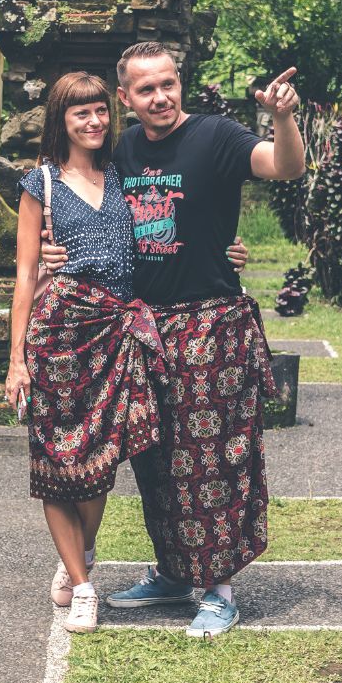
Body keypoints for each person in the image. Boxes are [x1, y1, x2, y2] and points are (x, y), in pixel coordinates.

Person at [45, 43, 305, 638]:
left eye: (168, 84)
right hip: (140, 327)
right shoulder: (121, 150)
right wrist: (48, 249)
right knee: (153, 458)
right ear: (125, 98)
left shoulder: (217, 136)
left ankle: (217, 589)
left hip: (210, 323)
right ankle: (171, 571)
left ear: (179, 84)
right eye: (145, 90)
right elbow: (70, 191)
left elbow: (284, 166)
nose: (159, 98)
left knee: (212, 462)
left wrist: (284, 119)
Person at [4, 72, 249, 635]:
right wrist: (16, 358)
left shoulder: (121, 174)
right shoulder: (39, 182)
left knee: (103, 462)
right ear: (60, 122)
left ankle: (81, 559)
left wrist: (226, 249)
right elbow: (23, 276)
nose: (93, 123)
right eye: (80, 115)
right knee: (57, 463)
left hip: (117, 333)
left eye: (98, 112)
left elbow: (175, 225)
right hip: (60, 332)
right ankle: (84, 585)